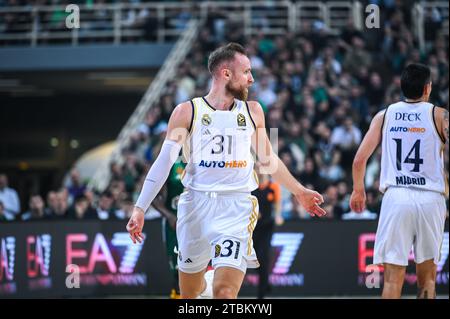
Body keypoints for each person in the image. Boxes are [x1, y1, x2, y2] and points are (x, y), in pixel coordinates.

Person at [126, 42, 326, 299]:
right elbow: (163, 162)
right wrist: (140, 207)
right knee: (189, 295)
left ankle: (215, 286)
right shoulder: (187, 111)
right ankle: (205, 286)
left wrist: (299, 191)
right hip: (194, 207)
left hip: (235, 206)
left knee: (225, 293)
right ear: (226, 74)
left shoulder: (253, 111)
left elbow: (268, 159)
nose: (251, 79)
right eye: (247, 72)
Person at [350, 63, 448, 299]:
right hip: (430, 199)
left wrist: (358, 190)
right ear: (427, 88)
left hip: (396, 197)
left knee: (393, 281)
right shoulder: (440, 115)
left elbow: (359, 160)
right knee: (428, 279)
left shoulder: (385, 115)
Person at [151, 160, 186, 299]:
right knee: (178, 270)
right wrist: (169, 215)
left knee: (198, 269)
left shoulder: (204, 159)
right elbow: (152, 195)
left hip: (197, 222)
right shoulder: (171, 163)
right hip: (175, 224)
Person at [251, 169, 283, 299]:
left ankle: (261, 294)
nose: (260, 171)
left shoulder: (273, 187)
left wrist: (278, 216)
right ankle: (266, 282)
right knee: (254, 258)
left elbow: (277, 204)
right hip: (253, 227)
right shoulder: (251, 187)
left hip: (267, 226)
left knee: (263, 257)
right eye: (257, 168)